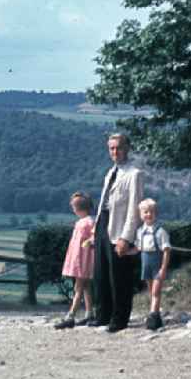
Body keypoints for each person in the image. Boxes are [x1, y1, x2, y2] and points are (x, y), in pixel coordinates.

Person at [90, 133, 143, 333]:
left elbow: (134, 208)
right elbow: (104, 201)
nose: (115, 152)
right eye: (111, 148)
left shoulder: (134, 174)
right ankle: (102, 315)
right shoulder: (110, 172)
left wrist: (126, 238)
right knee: (101, 273)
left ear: (127, 148)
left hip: (119, 227)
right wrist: (96, 229)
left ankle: (119, 319)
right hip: (103, 224)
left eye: (118, 147)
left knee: (119, 276)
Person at [127, 198, 171, 330]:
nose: (148, 214)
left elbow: (166, 251)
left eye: (151, 212)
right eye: (145, 212)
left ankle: (153, 315)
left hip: (157, 264)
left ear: (155, 213)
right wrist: (125, 253)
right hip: (146, 264)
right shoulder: (140, 232)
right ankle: (156, 317)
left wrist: (163, 268)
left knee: (156, 292)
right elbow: (137, 249)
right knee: (151, 291)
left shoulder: (161, 231)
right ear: (141, 215)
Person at [55, 192, 95, 329]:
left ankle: (71, 315)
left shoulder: (88, 222)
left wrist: (89, 241)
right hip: (80, 258)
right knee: (86, 287)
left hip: (83, 259)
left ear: (77, 208)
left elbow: (95, 236)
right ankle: (89, 313)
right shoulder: (83, 222)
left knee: (78, 287)